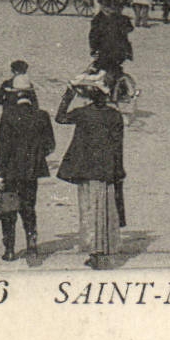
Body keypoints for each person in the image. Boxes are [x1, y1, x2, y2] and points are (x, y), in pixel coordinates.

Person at [54, 75, 125, 269]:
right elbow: (118, 145)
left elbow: (60, 117)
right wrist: (118, 170)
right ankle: (106, 250)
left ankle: (96, 252)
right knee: (107, 210)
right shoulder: (114, 115)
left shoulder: (84, 113)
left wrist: (68, 96)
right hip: (108, 169)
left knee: (90, 209)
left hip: (87, 169)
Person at [0, 73, 54, 262]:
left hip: (10, 171)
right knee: (29, 208)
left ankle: (10, 249)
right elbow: (50, 145)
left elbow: (3, 147)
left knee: (8, 210)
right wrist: (35, 156)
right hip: (31, 172)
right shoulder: (42, 116)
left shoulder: (8, 116)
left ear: (13, 95)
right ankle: (32, 246)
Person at [88, 0, 134, 87]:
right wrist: (93, 49)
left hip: (116, 51)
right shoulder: (98, 19)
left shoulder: (118, 18)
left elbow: (129, 28)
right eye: (105, 7)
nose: (108, 9)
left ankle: (112, 87)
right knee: (104, 69)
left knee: (109, 68)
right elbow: (93, 37)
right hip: (106, 50)